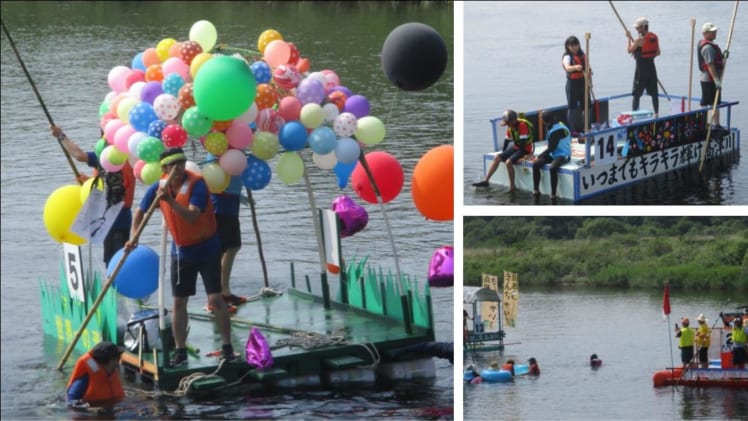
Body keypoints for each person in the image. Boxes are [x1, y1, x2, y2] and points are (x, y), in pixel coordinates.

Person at [124, 148, 234, 367]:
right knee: (179, 302)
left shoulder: (197, 184)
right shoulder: (159, 186)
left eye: (182, 164)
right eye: (174, 166)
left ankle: (227, 346)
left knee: (215, 299)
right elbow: (139, 211)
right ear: (165, 169)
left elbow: (193, 216)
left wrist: (169, 201)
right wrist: (133, 236)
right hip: (182, 252)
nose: (180, 169)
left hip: (207, 249)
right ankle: (181, 350)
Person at [50, 125, 135, 266]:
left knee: (116, 262)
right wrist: (88, 182)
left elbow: (79, 155)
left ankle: (115, 285)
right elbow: (108, 183)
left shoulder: (110, 156)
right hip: (114, 218)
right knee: (114, 260)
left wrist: (61, 136)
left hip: (115, 217)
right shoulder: (127, 157)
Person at [209, 175, 249, 313]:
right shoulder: (217, 154)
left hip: (231, 202)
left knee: (233, 246)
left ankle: (225, 292)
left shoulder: (236, 153)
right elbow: (214, 175)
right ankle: (214, 298)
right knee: (218, 251)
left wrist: (239, 194)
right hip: (220, 205)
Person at [472, 109, 534, 191]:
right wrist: (503, 154)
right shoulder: (511, 127)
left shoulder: (522, 125)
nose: (507, 125)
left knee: (508, 162)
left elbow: (522, 145)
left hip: (525, 149)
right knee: (497, 157)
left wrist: (521, 157)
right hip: (517, 148)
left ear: (513, 120)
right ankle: (486, 181)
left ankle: (512, 186)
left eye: (508, 123)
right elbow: (507, 141)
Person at [66, 341, 125, 409]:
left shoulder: (110, 374)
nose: (117, 364)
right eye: (116, 360)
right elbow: (71, 403)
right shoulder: (84, 380)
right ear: (107, 361)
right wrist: (92, 410)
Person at [627, 17, 660, 118]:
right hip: (651, 67)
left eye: (637, 28)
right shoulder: (654, 37)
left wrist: (628, 38)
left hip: (641, 69)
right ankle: (656, 114)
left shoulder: (639, 40)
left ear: (642, 27)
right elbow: (658, 52)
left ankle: (633, 115)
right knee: (654, 93)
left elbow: (629, 50)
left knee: (637, 94)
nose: (636, 30)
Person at [530, 118, 571, 199]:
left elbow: (551, 148)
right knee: (536, 164)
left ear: (546, 122)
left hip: (563, 155)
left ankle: (553, 194)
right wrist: (537, 159)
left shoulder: (557, 131)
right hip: (554, 154)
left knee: (552, 168)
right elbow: (551, 149)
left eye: (544, 122)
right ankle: (536, 190)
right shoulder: (552, 126)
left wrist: (538, 156)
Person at [561, 35, 592, 136]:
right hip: (572, 84)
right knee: (572, 108)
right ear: (568, 46)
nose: (575, 47)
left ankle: (586, 127)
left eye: (576, 44)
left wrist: (590, 82)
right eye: (572, 45)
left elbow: (588, 69)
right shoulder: (567, 56)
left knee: (587, 106)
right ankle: (572, 130)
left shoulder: (582, 55)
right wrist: (575, 67)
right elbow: (567, 67)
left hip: (583, 82)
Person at [698, 22, 725, 129]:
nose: (715, 33)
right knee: (709, 102)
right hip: (709, 79)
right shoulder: (707, 48)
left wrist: (723, 56)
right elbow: (710, 65)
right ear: (706, 33)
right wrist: (716, 80)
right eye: (712, 32)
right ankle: (707, 124)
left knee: (714, 101)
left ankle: (713, 123)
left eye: (715, 31)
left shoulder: (711, 46)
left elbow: (716, 60)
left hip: (711, 79)